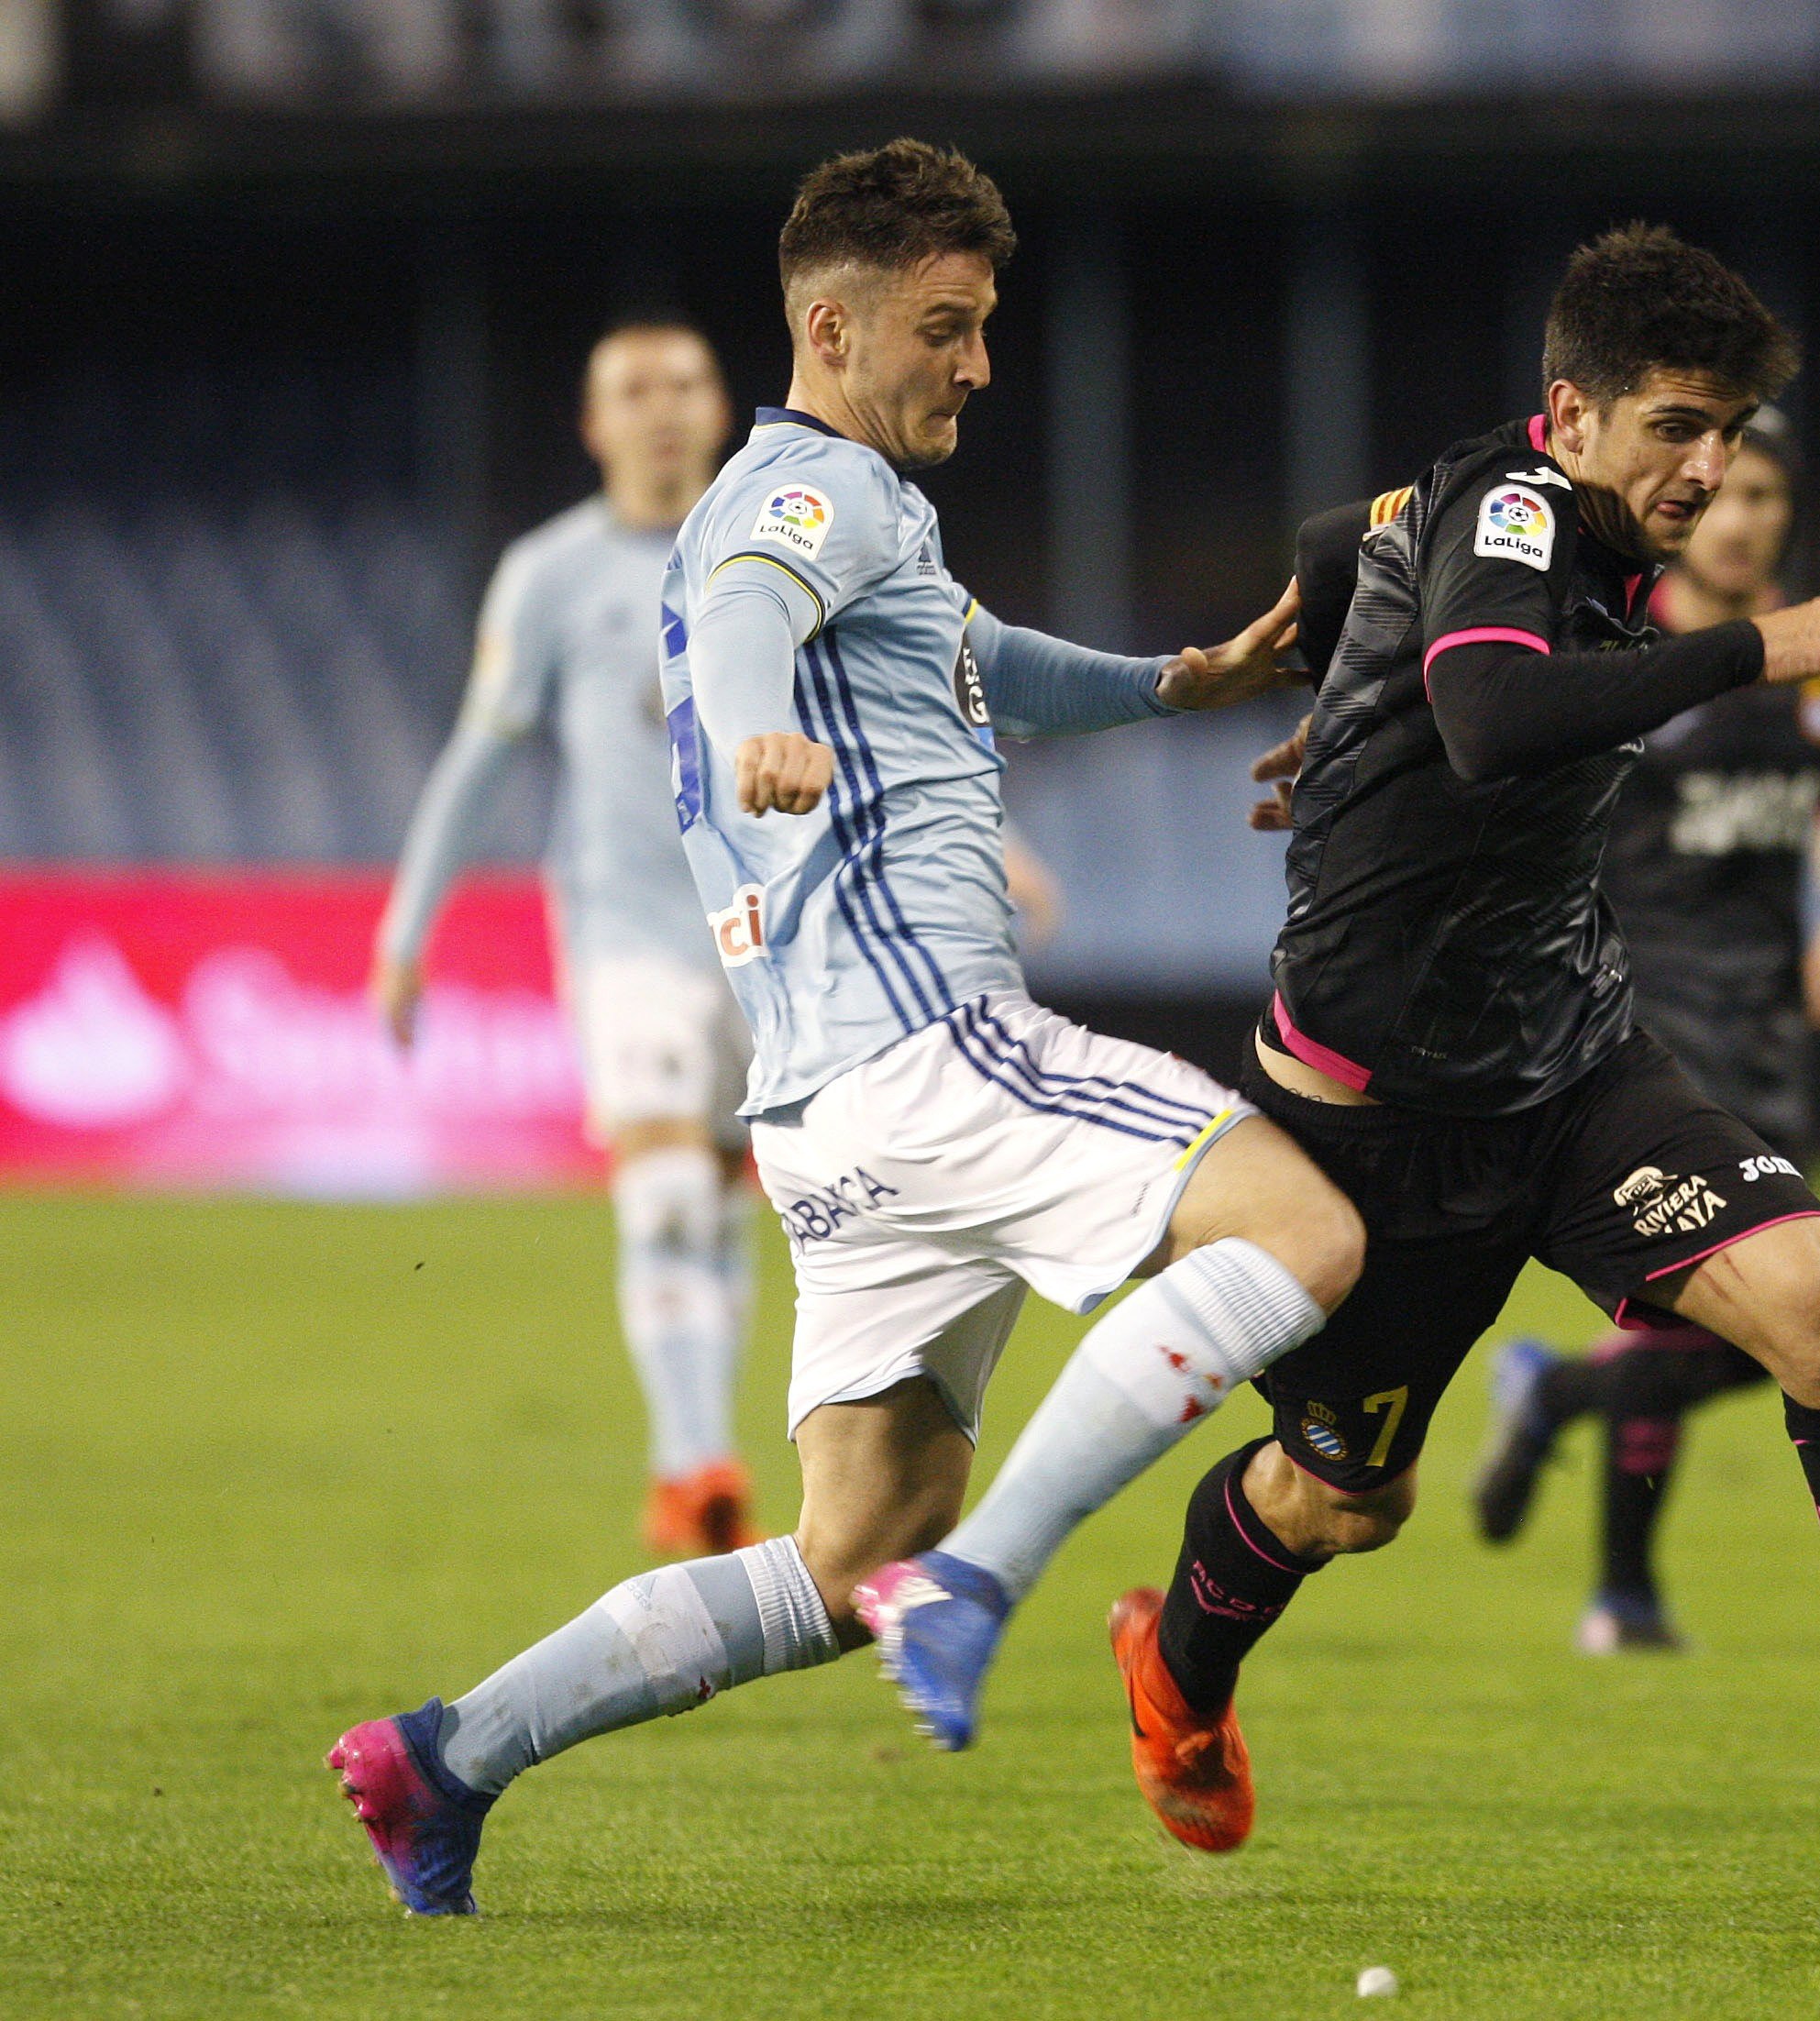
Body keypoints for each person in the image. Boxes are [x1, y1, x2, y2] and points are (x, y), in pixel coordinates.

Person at [328, 138, 1362, 1916]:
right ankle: (992, 1591)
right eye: (947, 329)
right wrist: (744, 730)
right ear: (832, 322)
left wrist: (1176, 682)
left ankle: (444, 1758)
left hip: (828, 1115)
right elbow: (740, 625)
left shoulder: (861, 512)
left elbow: (986, 661)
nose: (977, 364)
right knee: (1305, 1226)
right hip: (930, 1045)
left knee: (843, 1551)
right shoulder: (796, 499)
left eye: (983, 328)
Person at [1086, 223, 1820, 1860]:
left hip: (1574, 1072)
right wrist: (1758, 641)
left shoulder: (1497, 509)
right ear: (1573, 414)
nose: (1708, 466)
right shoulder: (1520, 509)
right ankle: (1174, 1675)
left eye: (1731, 432)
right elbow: (1486, 716)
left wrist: (1337, 698)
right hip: (1367, 1126)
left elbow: (1347, 541)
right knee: (1345, 1502)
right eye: (1677, 425)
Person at [1452, 411, 1820, 1653]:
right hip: (1643, 1023)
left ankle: (1556, 1397)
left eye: (1767, 498)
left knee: (1762, 1338)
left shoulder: (1810, 670)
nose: (1746, 518)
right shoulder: (1624, 655)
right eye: (1729, 494)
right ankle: (1623, 1596)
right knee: (1718, 1312)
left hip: (1766, 1026)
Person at [374, 321, 773, 1558]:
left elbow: (881, 721)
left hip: (765, 937)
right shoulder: (551, 573)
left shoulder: (774, 553)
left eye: (682, 385)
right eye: (632, 392)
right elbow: (479, 754)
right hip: (623, 928)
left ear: (720, 408)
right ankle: (695, 1460)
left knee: (719, 1200)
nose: (660, 409)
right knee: (658, 1192)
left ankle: (696, 1452)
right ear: (595, 427)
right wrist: (407, 927)